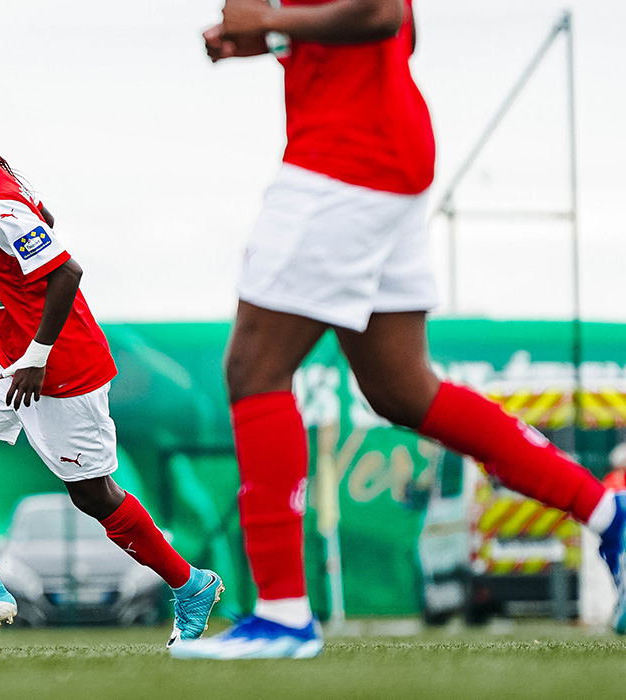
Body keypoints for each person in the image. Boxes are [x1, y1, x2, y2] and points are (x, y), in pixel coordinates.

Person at [171, 0, 626, 661]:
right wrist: (268, 34)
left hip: (346, 162)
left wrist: (277, 23)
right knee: (402, 389)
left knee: (254, 369)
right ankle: (611, 518)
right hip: (386, 154)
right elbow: (399, 29)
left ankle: (282, 616)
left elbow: (382, 13)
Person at [0, 90, 224, 648]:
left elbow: (65, 272)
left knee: (94, 495)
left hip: (57, 368)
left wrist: (35, 354)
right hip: (8, 354)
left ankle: (190, 583)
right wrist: (3, 320)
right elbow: (43, 226)